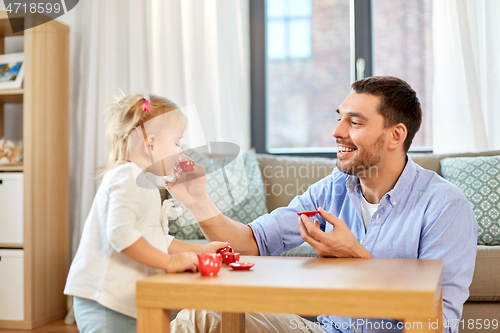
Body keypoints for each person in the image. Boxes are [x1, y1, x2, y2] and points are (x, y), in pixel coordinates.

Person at [166, 76, 477, 333]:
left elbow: (437, 327)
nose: (337, 131)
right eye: (339, 118)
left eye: (354, 122)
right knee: (203, 315)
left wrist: (356, 257)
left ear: (395, 135)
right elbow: (249, 245)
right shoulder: (333, 188)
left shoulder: (444, 207)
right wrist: (197, 200)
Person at [64, 93, 228, 333]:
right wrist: (169, 262)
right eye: (176, 142)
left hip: (123, 301)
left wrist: (200, 250)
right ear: (150, 144)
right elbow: (119, 234)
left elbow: (156, 240)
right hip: (106, 302)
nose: (179, 150)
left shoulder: (143, 182)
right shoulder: (127, 176)